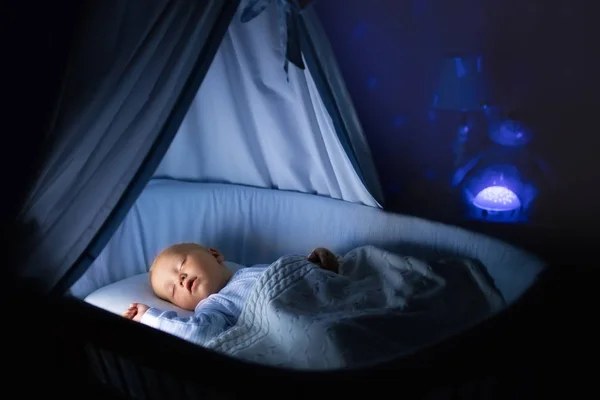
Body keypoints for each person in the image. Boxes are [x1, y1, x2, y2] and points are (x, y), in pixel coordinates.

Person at [122, 243, 339, 345]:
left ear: (215, 254)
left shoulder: (254, 269)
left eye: (181, 265)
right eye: (172, 290)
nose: (179, 279)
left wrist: (315, 263)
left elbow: (291, 273)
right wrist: (149, 317)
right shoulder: (214, 306)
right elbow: (197, 333)